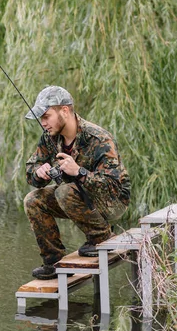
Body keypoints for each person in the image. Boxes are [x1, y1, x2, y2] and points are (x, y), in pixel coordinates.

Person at [24, 86, 131, 280]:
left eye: (46, 116)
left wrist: (79, 172)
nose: (43, 123)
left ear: (64, 110)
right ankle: (53, 261)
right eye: (41, 118)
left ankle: (101, 237)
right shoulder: (49, 138)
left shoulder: (98, 138)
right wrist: (39, 173)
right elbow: (31, 170)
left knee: (64, 191)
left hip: (113, 202)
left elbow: (113, 186)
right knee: (33, 200)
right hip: (76, 197)